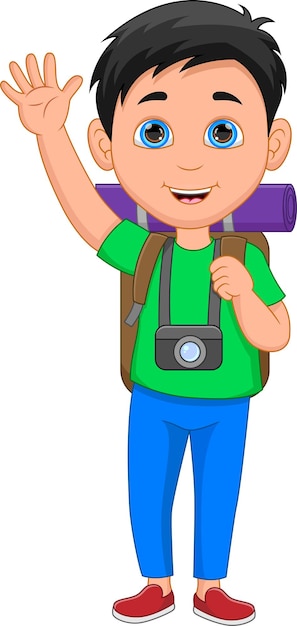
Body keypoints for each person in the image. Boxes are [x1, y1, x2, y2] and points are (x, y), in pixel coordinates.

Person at [1, 1, 291, 623]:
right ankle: (156, 582)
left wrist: (243, 293)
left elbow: (277, 334)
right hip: (154, 396)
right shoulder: (148, 251)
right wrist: (50, 135)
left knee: (219, 495)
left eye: (222, 132)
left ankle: (210, 585)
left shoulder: (247, 255)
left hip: (228, 400)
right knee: (148, 492)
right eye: (154, 133)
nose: (189, 163)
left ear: (273, 144)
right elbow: (87, 215)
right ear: (106, 146)